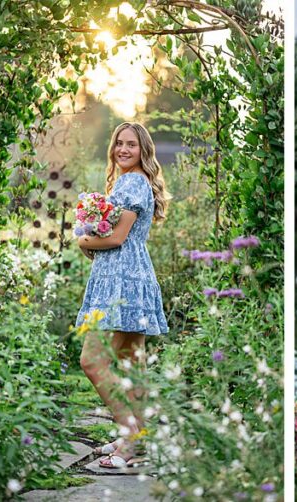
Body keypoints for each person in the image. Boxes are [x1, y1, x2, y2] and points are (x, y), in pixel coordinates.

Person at [75, 122, 171, 469]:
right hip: (133, 275)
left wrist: (84, 240)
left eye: (131, 144)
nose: (123, 149)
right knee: (131, 362)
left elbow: (116, 238)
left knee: (93, 360)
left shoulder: (132, 182)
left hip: (121, 279)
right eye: (119, 143)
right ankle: (139, 439)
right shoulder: (135, 181)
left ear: (144, 150)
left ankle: (130, 435)